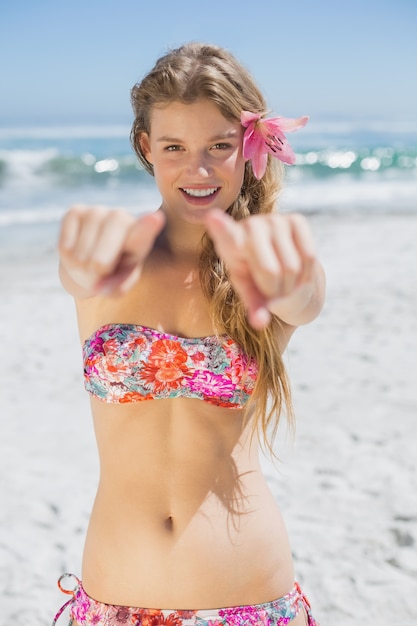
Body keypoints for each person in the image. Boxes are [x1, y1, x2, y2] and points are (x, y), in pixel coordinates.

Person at [53, 42, 325, 626]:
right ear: (147, 147)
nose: (197, 170)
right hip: (115, 600)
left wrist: (294, 286)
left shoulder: (268, 264)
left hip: (247, 598)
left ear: (248, 148)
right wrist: (75, 264)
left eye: (218, 147)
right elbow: (75, 272)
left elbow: (306, 301)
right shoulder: (110, 256)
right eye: (175, 147)